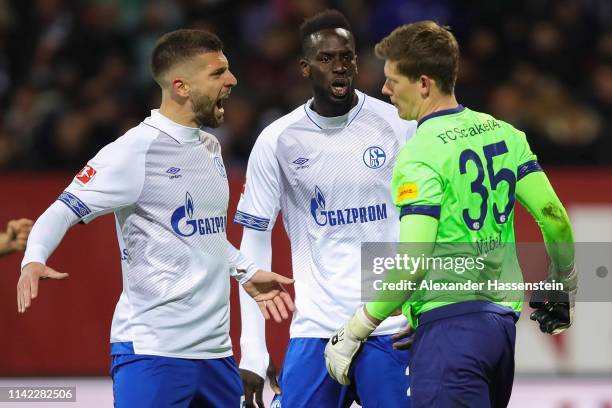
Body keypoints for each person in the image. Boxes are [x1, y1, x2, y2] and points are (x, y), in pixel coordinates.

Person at [17, 29, 295, 408]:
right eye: (218, 73)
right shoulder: (134, 151)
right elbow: (62, 209)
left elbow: (203, 233)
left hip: (215, 353)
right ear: (180, 86)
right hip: (154, 351)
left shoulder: (211, 146)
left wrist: (245, 270)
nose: (232, 81)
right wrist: (34, 257)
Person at [325, 21, 576, 407]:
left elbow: (412, 262)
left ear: (424, 83)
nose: (385, 90)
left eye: (393, 80)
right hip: (499, 334)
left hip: (451, 341)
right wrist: (561, 283)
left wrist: (357, 328)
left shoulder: (419, 156)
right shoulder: (505, 133)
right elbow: (554, 216)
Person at [234, 10, 416, 408]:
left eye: (347, 57)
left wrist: (427, 312)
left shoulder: (398, 125)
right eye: (326, 58)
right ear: (305, 67)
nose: (340, 67)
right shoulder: (276, 140)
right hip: (316, 329)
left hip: (387, 327)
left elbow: (429, 227)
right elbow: (254, 241)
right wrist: (252, 350)